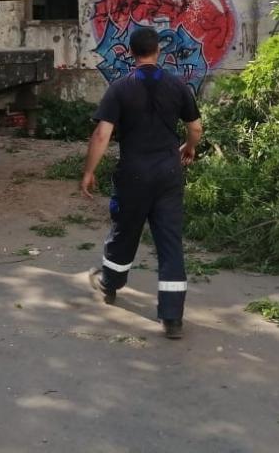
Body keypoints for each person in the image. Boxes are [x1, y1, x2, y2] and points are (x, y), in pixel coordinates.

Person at [80, 26, 203, 339]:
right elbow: (196, 127)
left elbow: (102, 134)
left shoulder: (120, 88)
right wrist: (189, 147)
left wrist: (88, 172)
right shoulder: (178, 86)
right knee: (170, 242)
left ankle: (110, 284)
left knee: (125, 230)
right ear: (157, 51)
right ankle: (172, 318)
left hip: (133, 174)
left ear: (131, 52)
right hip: (168, 174)